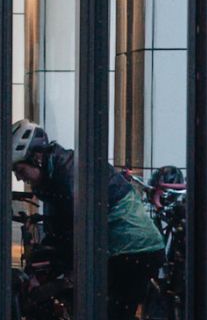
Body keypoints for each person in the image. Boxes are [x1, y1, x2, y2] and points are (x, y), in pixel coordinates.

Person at [10, 119, 165, 320]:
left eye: (20, 171)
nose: (20, 179)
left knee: (110, 313)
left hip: (135, 250)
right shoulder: (53, 174)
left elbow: (76, 232)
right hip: (116, 249)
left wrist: (49, 273)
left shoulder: (67, 176)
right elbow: (59, 230)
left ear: (37, 158)